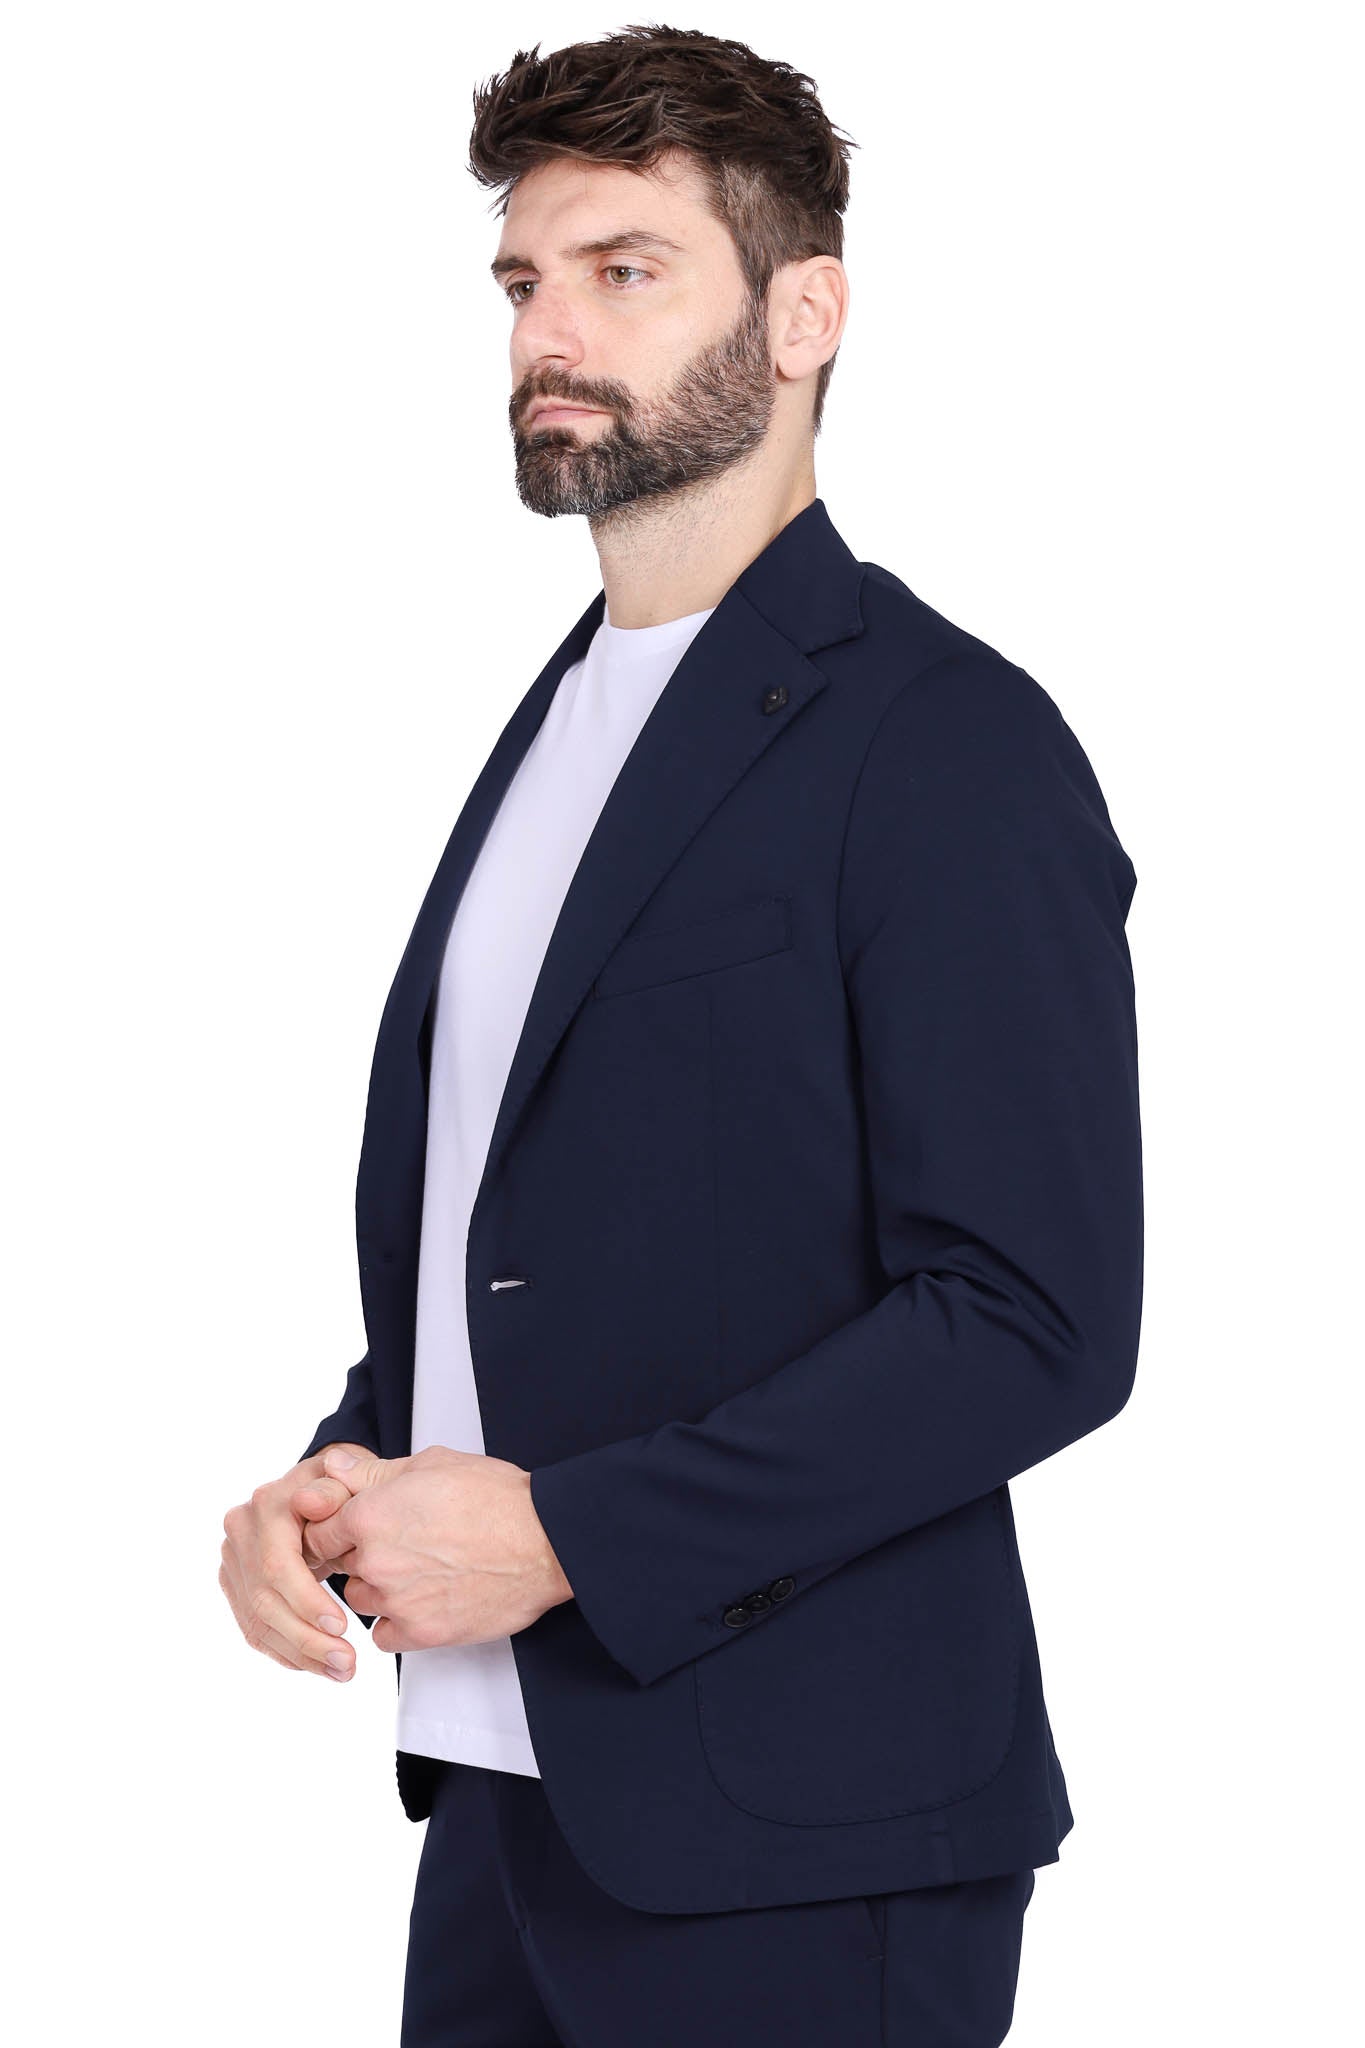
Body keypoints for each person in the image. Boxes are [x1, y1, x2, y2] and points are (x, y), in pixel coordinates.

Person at [219, 26, 1142, 2046]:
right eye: (522, 280)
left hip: (802, 1838)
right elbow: (544, 1251)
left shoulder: (946, 740)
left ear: (804, 315)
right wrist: (343, 1477)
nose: (548, 332)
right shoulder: (559, 724)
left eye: (623, 271)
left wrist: (564, 1534)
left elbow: (1031, 1317)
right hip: (505, 1806)